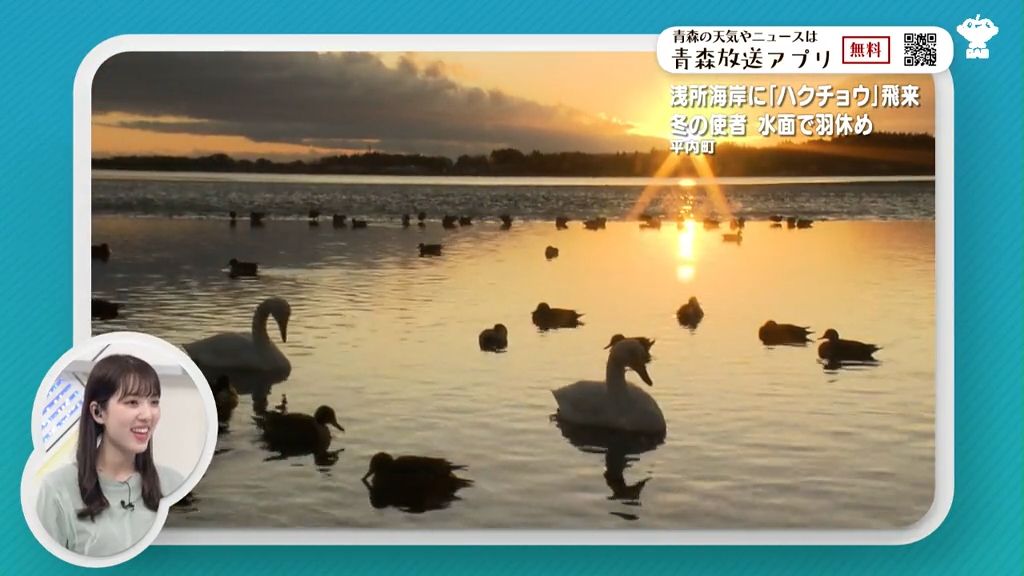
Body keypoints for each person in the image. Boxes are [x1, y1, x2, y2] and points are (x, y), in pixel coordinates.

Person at [36, 355, 183, 556]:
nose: (148, 415)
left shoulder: (175, 484)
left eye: (154, 402)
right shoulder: (57, 489)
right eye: (132, 402)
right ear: (98, 412)